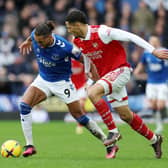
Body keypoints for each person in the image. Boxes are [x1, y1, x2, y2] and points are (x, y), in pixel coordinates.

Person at [65, 9, 168, 159]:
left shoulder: (102, 32)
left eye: (69, 27)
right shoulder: (77, 40)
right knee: (126, 116)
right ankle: (155, 139)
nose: (68, 30)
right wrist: (88, 72)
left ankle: (113, 131)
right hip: (108, 76)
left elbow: (131, 37)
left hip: (121, 70)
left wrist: (153, 51)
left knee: (93, 93)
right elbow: (87, 55)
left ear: (78, 24)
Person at [18, 20, 116, 158]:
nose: (38, 44)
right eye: (36, 41)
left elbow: (85, 58)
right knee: (24, 106)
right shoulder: (36, 36)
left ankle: (109, 143)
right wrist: (27, 41)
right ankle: (29, 145)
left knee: (80, 117)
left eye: (41, 42)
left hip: (62, 83)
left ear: (49, 37)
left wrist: (91, 72)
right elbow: (32, 35)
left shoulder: (65, 47)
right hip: (43, 79)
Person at [134, 35, 168, 134]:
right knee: (153, 105)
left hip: (163, 82)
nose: (152, 42)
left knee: (160, 105)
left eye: (154, 41)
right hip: (151, 83)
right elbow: (141, 65)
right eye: (150, 41)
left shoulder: (164, 52)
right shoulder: (146, 53)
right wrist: (136, 72)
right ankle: (159, 124)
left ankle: (163, 117)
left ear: (158, 42)